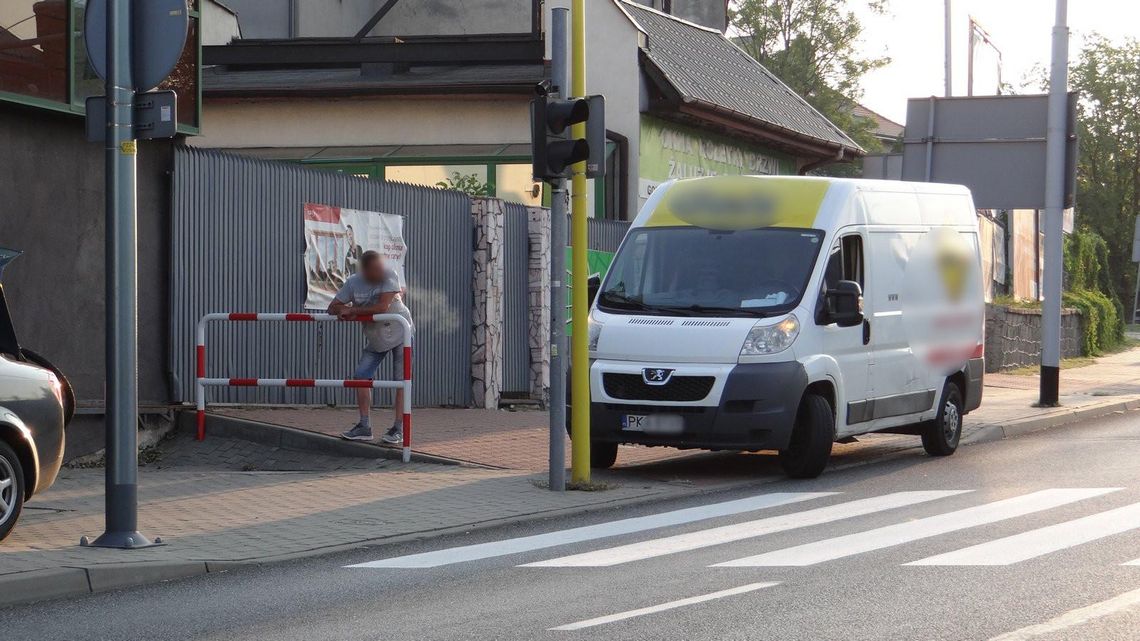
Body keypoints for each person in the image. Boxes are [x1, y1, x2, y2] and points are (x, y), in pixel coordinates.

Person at [327, 250, 414, 443]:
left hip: (401, 333)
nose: (379, 272)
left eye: (380, 267)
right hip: (376, 337)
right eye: (374, 269)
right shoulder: (353, 282)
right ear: (365, 270)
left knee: (401, 380)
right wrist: (341, 310)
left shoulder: (389, 275)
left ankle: (398, 428)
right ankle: (364, 426)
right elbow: (331, 307)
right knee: (361, 376)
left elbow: (382, 307)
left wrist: (352, 310)